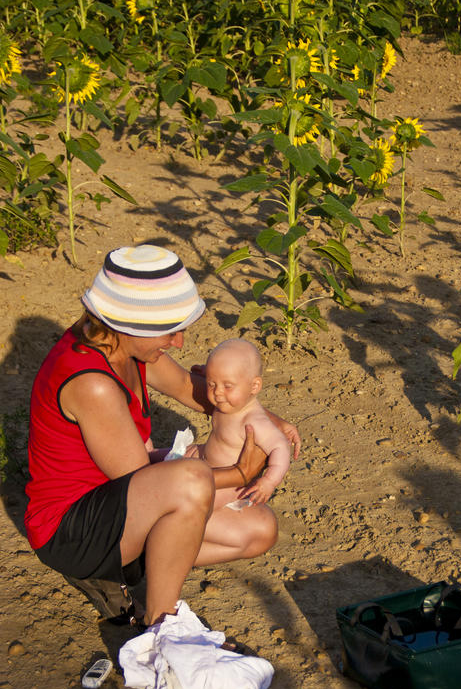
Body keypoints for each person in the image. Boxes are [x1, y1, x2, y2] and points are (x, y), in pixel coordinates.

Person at [24, 244, 300, 629]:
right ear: (132, 326)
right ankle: (161, 625)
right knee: (187, 482)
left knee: (258, 530)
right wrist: (239, 474)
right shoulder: (93, 384)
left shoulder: (124, 347)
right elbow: (146, 481)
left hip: (123, 508)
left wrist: (266, 418)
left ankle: (125, 568)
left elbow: (192, 387)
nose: (179, 343)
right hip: (71, 529)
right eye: (170, 332)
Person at [193, 339, 291, 510]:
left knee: (198, 502)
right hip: (203, 458)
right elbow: (221, 376)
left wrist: (269, 481)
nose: (217, 392)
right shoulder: (229, 403)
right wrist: (208, 374)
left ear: (254, 386)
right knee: (173, 457)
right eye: (211, 383)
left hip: (229, 486)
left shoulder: (253, 420)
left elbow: (281, 447)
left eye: (227, 386)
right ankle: (148, 457)